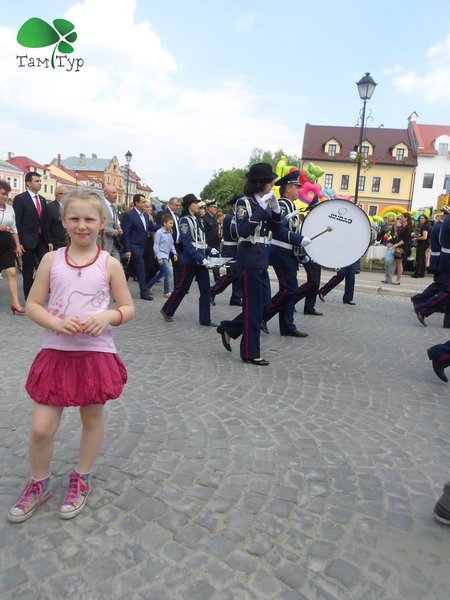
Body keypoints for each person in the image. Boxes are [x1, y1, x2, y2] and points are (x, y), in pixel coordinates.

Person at [7, 190, 135, 523]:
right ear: (63, 221)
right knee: (41, 428)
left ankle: (82, 476)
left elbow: (127, 307)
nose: (82, 226)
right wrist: (56, 323)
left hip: (95, 353)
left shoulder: (110, 264)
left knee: (91, 419)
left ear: (102, 223)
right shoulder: (52, 261)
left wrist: (107, 317)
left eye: (89, 219)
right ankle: (39, 482)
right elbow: (33, 304)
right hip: (56, 351)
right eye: (74, 219)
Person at [216, 163, 282, 366]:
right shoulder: (244, 203)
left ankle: (230, 328)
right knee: (253, 308)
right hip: (249, 260)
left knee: (265, 306)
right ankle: (250, 352)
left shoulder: (265, 201)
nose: (272, 185)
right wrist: (261, 209)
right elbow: (243, 231)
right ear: (260, 183)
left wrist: (276, 210)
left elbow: (276, 228)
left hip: (261, 259)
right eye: (270, 181)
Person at [263, 169, 313, 337]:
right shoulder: (282, 205)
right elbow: (279, 230)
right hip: (280, 252)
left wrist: (301, 252)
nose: (300, 190)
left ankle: (287, 325)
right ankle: (262, 316)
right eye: (297, 187)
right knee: (289, 290)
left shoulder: (291, 206)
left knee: (290, 290)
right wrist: (299, 240)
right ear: (288, 188)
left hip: (289, 253)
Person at [160, 193, 218, 326]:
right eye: (195, 203)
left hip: (200, 260)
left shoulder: (196, 219)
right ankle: (167, 310)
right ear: (189, 205)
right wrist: (200, 258)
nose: (198, 205)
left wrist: (209, 250)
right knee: (182, 288)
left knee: (205, 291)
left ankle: (205, 319)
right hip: (191, 261)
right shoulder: (184, 220)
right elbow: (187, 243)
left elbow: (200, 241)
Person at [13, 171, 53, 299]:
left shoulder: (42, 199)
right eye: (37, 181)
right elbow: (17, 222)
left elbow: (45, 222)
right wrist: (18, 243)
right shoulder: (20, 199)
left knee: (47, 266)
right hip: (27, 241)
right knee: (28, 270)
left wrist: (49, 241)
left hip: (41, 240)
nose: (40, 183)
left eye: (40, 181)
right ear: (28, 183)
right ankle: (29, 297)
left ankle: (38, 289)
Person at [121, 194, 158, 300]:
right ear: (136, 203)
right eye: (143, 202)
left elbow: (150, 227)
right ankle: (143, 292)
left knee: (128, 270)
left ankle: (117, 290)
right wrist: (127, 249)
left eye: (145, 202)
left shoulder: (145, 215)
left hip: (144, 247)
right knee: (141, 269)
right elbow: (126, 234)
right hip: (134, 246)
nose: (145, 204)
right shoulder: (130, 215)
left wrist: (163, 227)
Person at [210, 195, 242, 307]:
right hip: (230, 249)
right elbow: (236, 234)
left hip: (235, 249)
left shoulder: (233, 216)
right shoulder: (230, 217)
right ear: (236, 206)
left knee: (238, 275)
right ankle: (212, 291)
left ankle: (236, 297)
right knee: (232, 275)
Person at [0, 180, 25, 314]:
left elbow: (14, 229)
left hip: (6, 244)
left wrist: (18, 245)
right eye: (3, 194)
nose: (5, 197)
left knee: (12, 272)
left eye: (7, 194)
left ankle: (15, 303)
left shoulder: (10, 209)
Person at [147, 213, 178, 297]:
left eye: (172, 223)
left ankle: (148, 286)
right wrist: (159, 257)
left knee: (162, 273)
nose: (172, 225)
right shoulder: (159, 232)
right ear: (164, 223)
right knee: (168, 272)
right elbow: (156, 246)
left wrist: (174, 253)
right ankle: (166, 292)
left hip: (167, 255)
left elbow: (171, 244)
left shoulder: (169, 232)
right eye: (170, 223)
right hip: (161, 255)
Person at [160, 197, 182, 287]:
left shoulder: (177, 215)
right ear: (170, 204)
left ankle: (178, 286)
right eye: (176, 205)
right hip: (165, 245)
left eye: (179, 206)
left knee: (178, 266)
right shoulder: (162, 214)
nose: (178, 207)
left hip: (176, 245)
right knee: (160, 269)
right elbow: (159, 229)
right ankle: (148, 283)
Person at [99, 185, 122, 260]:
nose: (116, 195)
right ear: (106, 195)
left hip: (114, 243)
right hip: (103, 243)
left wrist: (119, 228)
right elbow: (97, 224)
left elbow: (116, 222)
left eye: (116, 193)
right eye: (113, 193)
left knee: (117, 265)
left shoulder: (113, 207)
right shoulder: (99, 205)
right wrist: (112, 231)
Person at [392, 212, 412, 284]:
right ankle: (391, 278)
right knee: (395, 262)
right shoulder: (402, 227)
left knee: (399, 262)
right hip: (399, 245)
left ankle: (398, 280)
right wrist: (395, 229)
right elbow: (397, 236)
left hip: (403, 247)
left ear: (406, 218)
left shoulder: (408, 228)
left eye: (402, 217)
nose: (400, 218)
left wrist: (396, 245)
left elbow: (405, 239)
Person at [203, 199, 221, 282]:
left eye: (216, 207)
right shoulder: (205, 218)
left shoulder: (214, 217)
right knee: (204, 261)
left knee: (216, 260)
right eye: (214, 207)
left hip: (215, 243)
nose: (215, 209)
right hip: (207, 243)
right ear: (209, 208)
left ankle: (217, 278)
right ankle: (201, 276)